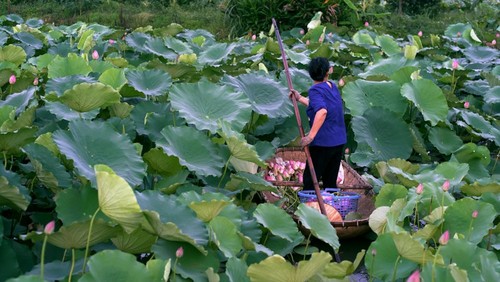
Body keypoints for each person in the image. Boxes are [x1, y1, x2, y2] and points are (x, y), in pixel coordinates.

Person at [289, 57, 347, 190]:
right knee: (330, 181)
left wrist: (310, 137)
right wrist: (299, 98)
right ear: (328, 71)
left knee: (310, 181)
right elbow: (318, 105)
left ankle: (309, 207)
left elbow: (321, 111)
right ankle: (331, 208)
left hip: (323, 143)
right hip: (338, 141)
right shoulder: (332, 87)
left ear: (310, 73)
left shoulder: (315, 90)